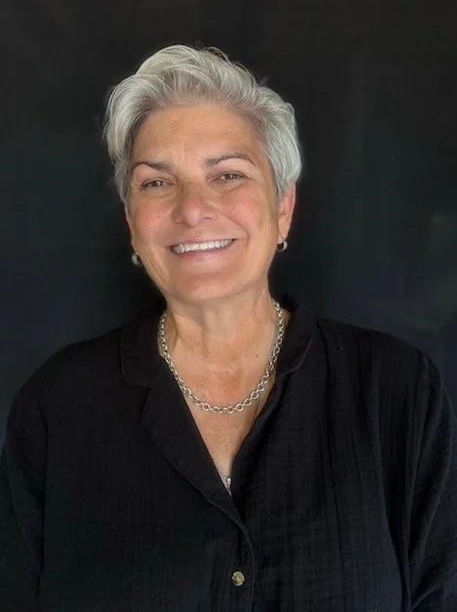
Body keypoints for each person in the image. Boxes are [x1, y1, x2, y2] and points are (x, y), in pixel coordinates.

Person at [1, 44, 456, 612]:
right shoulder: (58, 405)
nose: (193, 209)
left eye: (227, 175)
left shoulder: (396, 389)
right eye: (156, 182)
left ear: (283, 207)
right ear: (131, 222)